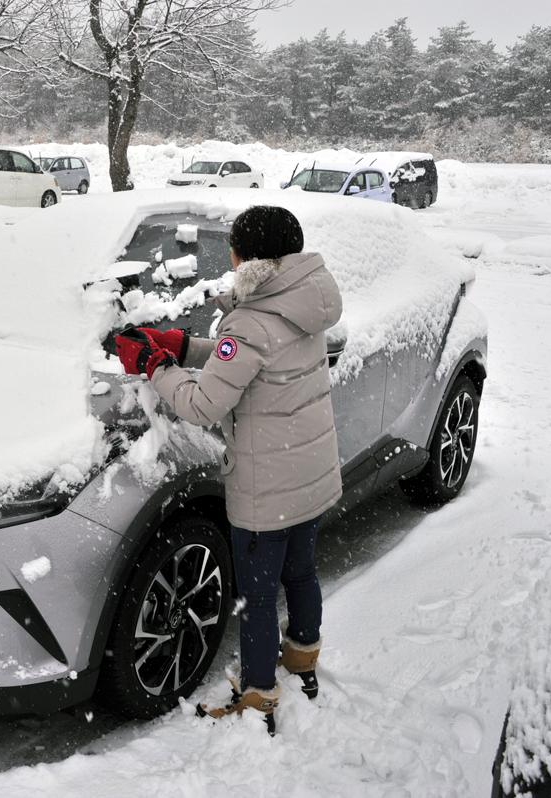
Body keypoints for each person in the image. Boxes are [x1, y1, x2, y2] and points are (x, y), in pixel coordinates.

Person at [115, 205, 343, 734]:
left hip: (266, 490)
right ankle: (303, 658)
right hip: (308, 474)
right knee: (302, 572)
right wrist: (184, 346)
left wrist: (156, 367)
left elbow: (202, 405)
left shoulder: (249, 320)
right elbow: (243, 361)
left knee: (258, 596)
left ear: (246, 258)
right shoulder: (302, 303)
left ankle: (260, 693)